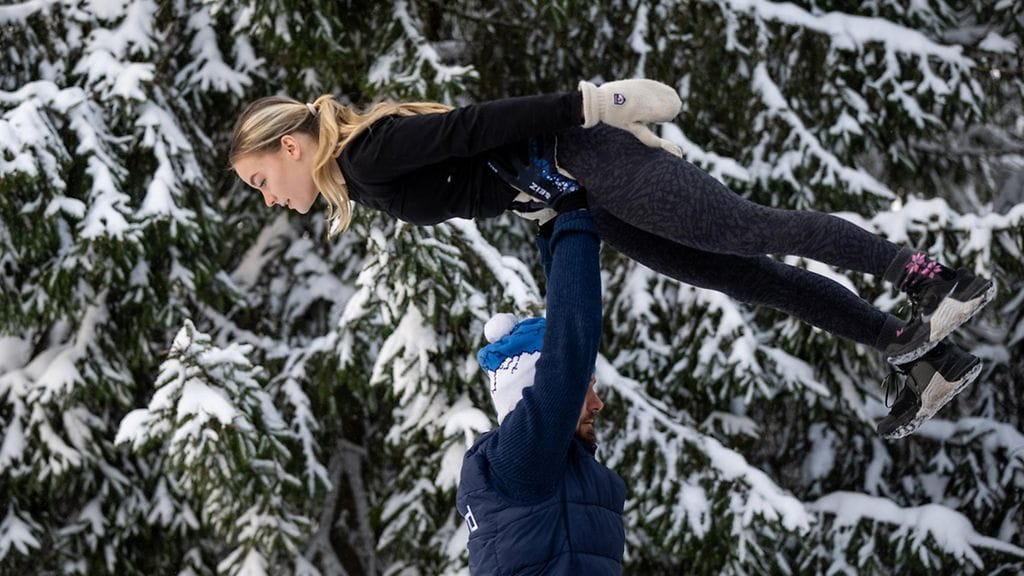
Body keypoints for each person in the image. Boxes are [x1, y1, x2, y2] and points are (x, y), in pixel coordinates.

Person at [227, 80, 995, 438]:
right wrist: (546, 216)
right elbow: (486, 171)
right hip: (580, 190)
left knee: (748, 231)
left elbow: (472, 126)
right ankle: (914, 354)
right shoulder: (365, 179)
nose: (267, 198)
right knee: (738, 271)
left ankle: (931, 281)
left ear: (290, 147)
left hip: (586, 152)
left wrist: (592, 107)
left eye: (262, 180)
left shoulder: (368, 154)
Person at [455, 201, 625, 574]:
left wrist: (553, 228)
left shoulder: (558, 467)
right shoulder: (518, 461)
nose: (597, 404)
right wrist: (575, 215)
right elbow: (568, 353)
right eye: (585, 388)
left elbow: (566, 347)